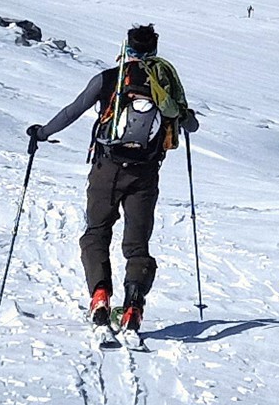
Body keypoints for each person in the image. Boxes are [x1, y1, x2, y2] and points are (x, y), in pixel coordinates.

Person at [27, 25, 195, 340]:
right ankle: (133, 305)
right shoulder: (164, 85)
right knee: (137, 245)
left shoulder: (108, 80)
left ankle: (100, 296)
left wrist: (42, 133)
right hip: (145, 173)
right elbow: (190, 124)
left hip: (106, 168)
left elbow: (72, 111)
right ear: (154, 50)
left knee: (96, 234)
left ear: (126, 47)